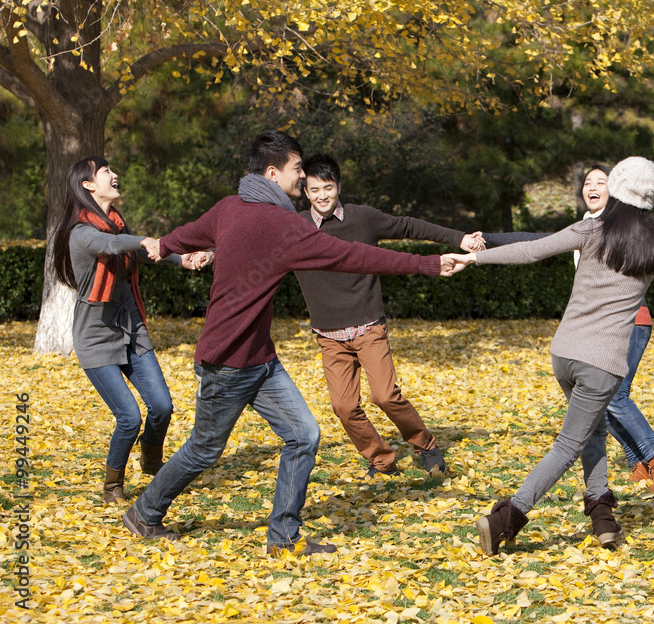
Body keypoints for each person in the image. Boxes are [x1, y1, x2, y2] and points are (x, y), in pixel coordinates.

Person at [121, 131, 461, 557]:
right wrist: (427, 264)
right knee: (204, 449)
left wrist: (166, 244)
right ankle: (145, 512)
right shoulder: (281, 224)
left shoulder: (230, 207)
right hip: (227, 361)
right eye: (297, 168)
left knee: (303, 435)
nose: (302, 177)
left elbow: (189, 233)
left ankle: (283, 538)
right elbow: (352, 256)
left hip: (260, 359)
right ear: (271, 172)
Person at [451, 157, 654, 554]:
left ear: (616, 190)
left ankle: (603, 518)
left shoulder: (592, 228)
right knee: (568, 445)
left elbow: (531, 251)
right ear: (650, 198)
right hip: (602, 364)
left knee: (593, 433)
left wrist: (474, 257)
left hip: (564, 354)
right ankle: (505, 519)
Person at [484, 164, 654, 492]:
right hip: (597, 333)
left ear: (616, 191)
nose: (592, 186)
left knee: (614, 394)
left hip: (629, 323)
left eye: (600, 182)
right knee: (603, 400)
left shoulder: (622, 225)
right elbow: (534, 243)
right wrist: (487, 239)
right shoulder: (587, 227)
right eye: (587, 182)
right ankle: (638, 462)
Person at [294, 153, 484, 479]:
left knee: (385, 395)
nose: (322, 195)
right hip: (329, 336)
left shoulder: (362, 218)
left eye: (328, 187)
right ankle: (381, 459)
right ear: (305, 192)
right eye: (315, 190)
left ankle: (425, 444)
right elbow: (253, 242)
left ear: (338, 186)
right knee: (343, 407)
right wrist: (212, 252)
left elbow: (409, 225)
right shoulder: (294, 227)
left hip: (368, 326)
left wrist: (459, 238)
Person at [51, 157, 213, 505]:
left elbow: (134, 251)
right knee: (128, 417)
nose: (115, 174)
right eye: (106, 172)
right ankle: (113, 488)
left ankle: (153, 465)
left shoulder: (117, 226)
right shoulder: (82, 232)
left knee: (163, 406)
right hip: (95, 336)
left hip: (131, 327)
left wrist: (181, 258)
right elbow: (112, 246)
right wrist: (144, 240)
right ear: (88, 186)